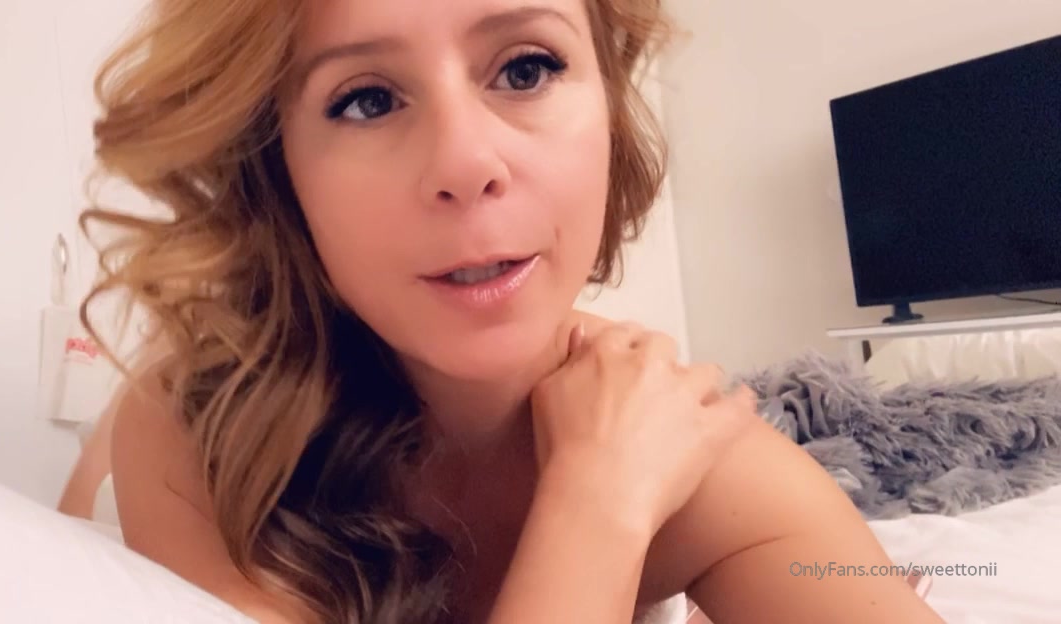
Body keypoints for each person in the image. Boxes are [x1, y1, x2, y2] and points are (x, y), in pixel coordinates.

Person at [79, 0, 947, 622]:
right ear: (278, 172)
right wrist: (597, 506)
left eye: (526, 68)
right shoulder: (203, 433)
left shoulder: (707, 462)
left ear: (610, 106)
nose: (466, 163)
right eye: (367, 99)